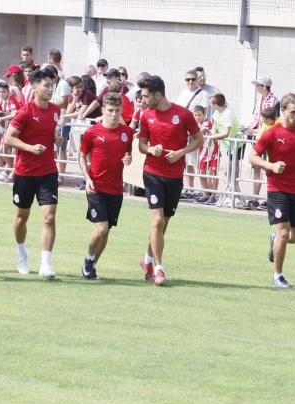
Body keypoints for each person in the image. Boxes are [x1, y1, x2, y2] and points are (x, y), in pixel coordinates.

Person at [136, 75, 203, 286]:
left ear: (158, 94)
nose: (143, 99)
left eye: (146, 96)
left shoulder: (182, 114)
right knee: (156, 221)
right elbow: (141, 146)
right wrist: (150, 149)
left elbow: (199, 139)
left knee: (163, 224)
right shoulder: (146, 116)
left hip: (174, 176)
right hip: (152, 173)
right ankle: (159, 268)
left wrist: (181, 152)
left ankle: (146, 260)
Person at [3, 68, 62, 278]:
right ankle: (21, 255)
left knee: (49, 218)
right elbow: (9, 138)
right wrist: (30, 147)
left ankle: (46, 264)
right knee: (21, 219)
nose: (50, 89)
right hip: (25, 172)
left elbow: (48, 133)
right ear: (35, 87)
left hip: (48, 172)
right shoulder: (25, 111)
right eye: (46, 85)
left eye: (52, 86)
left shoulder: (56, 110)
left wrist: (55, 140)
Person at [250, 93, 295, 288]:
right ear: (283, 111)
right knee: (284, 233)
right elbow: (252, 157)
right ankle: (278, 275)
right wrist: (271, 165)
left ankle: (275, 239)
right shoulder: (271, 133)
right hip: (277, 188)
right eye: (293, 112)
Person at [79, 93, 134, 280]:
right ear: (103, 110)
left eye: (117, 111)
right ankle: (88, 258)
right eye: (110, 110)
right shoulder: (92, 132)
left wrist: (129, 159)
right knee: (101, 228)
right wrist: (87, 178)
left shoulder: (127, 133)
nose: (114, 114)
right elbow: (82, 156)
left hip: (116, 188)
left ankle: (92, 265)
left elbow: (128, 155)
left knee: (106, 231)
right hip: (96, 187)